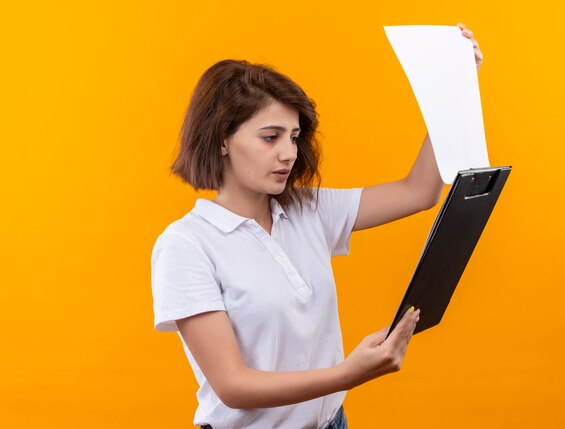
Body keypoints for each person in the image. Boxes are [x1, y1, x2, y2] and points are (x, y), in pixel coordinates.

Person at [151, 23, 483, 429]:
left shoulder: (306, 209)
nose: (288, 153)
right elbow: (232, 386)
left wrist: (453, 86)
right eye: (270, 137)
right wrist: (348, 374)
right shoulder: (186, 245)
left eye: (293, 137)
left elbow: (419, 191)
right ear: (222, 139)